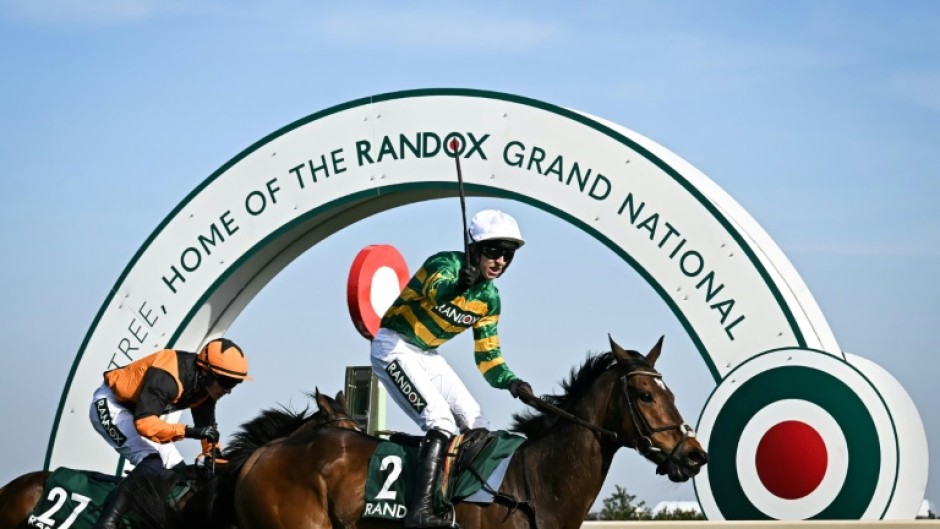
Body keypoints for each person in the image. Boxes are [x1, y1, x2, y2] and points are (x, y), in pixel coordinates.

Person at [371, 209, 535, 529]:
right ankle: (420, 511)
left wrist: (512, 383)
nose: (500, 261)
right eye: (493, 251)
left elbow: (488, 358)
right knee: (439, 419)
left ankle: (459, 501)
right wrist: (458, 286)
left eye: (508, 255)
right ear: (472, 248)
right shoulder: (444, 264)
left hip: (428, 354)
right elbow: (436, 290)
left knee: (478, 423)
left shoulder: (489, 299)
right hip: (394, 347)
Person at [88, 338, 250, 529]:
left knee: (179, 473)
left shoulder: (205, 389)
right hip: (110, 406)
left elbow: (208, 432)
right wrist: (189, 431)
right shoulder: (168, 376)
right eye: (225, 382)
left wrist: (214, 457)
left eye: (235, 383)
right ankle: (107, 523)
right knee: (153, 462)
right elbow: (144, 424)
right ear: (206, 371)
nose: (228, 390)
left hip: (137, 413)